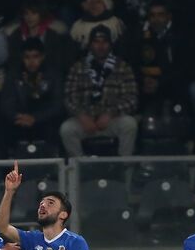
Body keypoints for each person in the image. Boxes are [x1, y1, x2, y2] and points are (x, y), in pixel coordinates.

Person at [59, 25, 139, 156]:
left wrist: (111, 113)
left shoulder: (122, 67)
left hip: (112, 120)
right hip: (85, 120)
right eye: (96, 42)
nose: (100, 46)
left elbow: (131, 99)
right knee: (66, 129)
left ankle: (125, 166)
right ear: (90, 44)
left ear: (110, 44)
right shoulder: (78, 67)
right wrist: (81, 115)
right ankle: (80, 166)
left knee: (130, 124)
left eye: (104, 42)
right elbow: (69, 98)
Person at [0, 38, 67, 143]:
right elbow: (6, 103)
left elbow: (57, 105)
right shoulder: (14, 74)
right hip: (20, 120)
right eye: (27, 57)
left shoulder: (53, 75)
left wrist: (35, 118)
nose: (31, 62)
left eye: (35, 57)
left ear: (43, 57)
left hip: (45, 120)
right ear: (22, 58)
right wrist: (19, 116)